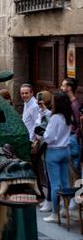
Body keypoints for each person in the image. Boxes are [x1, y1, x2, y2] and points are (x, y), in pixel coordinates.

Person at [42, 92, 72, 223]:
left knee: (55, 185)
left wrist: (43, 133)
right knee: (65, 182)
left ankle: (54, 214)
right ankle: (65, 210)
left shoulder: (55, 118)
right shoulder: (68, 116)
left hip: (54, 152)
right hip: (66, 150)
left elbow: (49, 137)